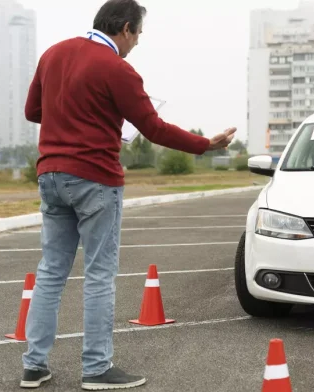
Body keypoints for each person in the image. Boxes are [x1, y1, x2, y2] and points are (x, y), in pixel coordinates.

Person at [18, 0, 235, 389]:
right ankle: (97, 369)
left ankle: (34, 366)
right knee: (99, 275)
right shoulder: (117, 68)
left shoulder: (53, 54)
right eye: (138, 35)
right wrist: (205, 145)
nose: (136, 43)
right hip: (94, 179)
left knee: (51, 273)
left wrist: (73, 114)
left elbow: (33, 110)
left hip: (50, 175)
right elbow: (153, 128)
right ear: (125, 28)